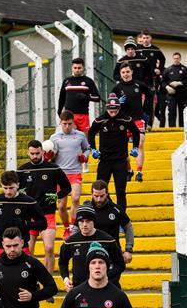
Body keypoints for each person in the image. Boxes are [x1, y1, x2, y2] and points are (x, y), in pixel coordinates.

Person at [17, 139, 71, 276]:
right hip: (29, 217)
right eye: (32, 153)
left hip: (47, 214)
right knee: (27, 251)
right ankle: (30, 280)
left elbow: (67, 187)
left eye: (37, 153)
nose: (35, 156)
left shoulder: (53, 168)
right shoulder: (22, 170)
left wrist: (57, 196)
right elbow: (13, 189)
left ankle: (49, 282)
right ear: (28, 153)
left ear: (43, 152)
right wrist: (20, 194)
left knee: (49, 247)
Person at [0, 170, 47, 260]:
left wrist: (26, 224)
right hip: (0, 248)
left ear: (18, 185)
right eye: (5, 188)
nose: (8, 192)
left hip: (22, 249)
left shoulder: (28, 201)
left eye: (11, 188)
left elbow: (43, 223)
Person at [88, 93, 140, 211]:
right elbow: (91, 133)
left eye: (115, 109)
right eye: (110, 110)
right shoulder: (100, 120)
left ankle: (121, 219)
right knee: (99, 189)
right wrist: (93, 149)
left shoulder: (125, 119)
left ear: (119, 108)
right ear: (107, 108)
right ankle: (100, 214)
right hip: (104, 160)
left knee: (121, 191)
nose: (113, 112)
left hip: (120, 161)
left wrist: (135, 147)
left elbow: (136, 132)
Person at [59, 204, 125, 290]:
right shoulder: (70, 242)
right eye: (81, 221)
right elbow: (62, 263)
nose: (84, 224)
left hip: (105, 288)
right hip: (79, 288)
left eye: (88, 221)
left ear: (94, 221)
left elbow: (120, 264)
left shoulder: (108, 240)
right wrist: (66, 278)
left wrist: (107, 277)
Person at [50, 110, 90, 239]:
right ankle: (66, 227)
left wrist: (84, 156)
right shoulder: (54, 137)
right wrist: (49, 156)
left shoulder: (80, 135)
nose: (67, 127)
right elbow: (49, 155)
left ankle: (73, 226)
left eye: (69, 124)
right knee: (61, 206)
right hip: (60, 175)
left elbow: (87, 148)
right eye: (65, 124)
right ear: (60, 123)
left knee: (76, 199)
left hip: (75, 172)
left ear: (73, 123)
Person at [112, 63, 152, 183]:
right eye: (123, 72)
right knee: (121, 150)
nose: (125, 74)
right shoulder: (117, 88)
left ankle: (139, 172)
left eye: (127, 72)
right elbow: (110, 106)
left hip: (138, 120)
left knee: (140, 143)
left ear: (132, 72)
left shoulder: (139, 85)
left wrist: (147, 114)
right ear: (120, 74)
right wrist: (117, 102)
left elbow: (150, 97)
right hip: (122, 122)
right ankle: (129, 170)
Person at [86, 180, 134, 264]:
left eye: (102, 196)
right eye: (96, 196)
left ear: (107, 194)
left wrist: (128, 249)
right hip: (91, 253)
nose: (98, 199)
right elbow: (76, 228)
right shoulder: (86, 210)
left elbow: (128, 227)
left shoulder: (116, 209)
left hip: (113, 253)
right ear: (91, 194)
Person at [57, 57, 100, 135]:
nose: (77, 70)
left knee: (85, 139)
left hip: (83, 115)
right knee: (72, 138)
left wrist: (85, 97)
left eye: (79, 68)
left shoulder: (88, 81)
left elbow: (97, 98)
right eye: (75, 68)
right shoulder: (67, 81)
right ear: (72, 68)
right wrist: (59, 113)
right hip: (69, 115)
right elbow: (61, 98)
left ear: (83, 68)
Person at [136, 31, 166, 127]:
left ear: (150, 38)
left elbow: (163, 59)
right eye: (143, 38)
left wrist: (159, 69)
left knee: (151, 101)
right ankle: (140, 122)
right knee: (140, 100)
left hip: (152, 79)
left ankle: (149, 124)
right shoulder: (137, 49)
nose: (145, 40)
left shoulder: (155, 49)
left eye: (147, 38)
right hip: (140, 79)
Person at [161, 52, 187, 128]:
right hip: (171, 94)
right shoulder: (168, 70)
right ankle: (172, 128)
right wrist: (167, 87)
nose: (176, 60)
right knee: (172, 111)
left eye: (177, 58)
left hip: (183, 94)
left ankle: (183, 128)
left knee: (183, 112)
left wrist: (180, 83)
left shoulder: (185, 69)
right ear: (173, 59)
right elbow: (162, 82)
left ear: (180, 59)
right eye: (175, 58)